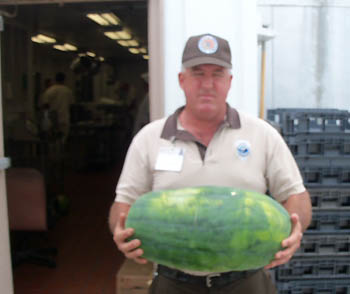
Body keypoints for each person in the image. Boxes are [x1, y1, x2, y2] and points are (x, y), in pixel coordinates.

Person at [109, 33, 312, 294]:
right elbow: (123, 204)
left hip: (246, 282)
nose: (207, 84)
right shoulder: (149, 138)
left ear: (229, 82)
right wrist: (120, 228)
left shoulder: (262, 134)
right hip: (173, 282)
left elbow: (296, 196)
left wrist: (295, 229)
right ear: (182, 80)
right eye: (197, 73)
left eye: (217, 74)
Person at [41, 72, 74, 141]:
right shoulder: (68, 91)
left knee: (52, 141)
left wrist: (45, 120)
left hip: (52, 119)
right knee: (62, 140)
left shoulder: (50, 91)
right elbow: (71, 105)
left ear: (55, 79)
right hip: (64, 118)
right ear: (64, 80)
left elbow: (45, 106)